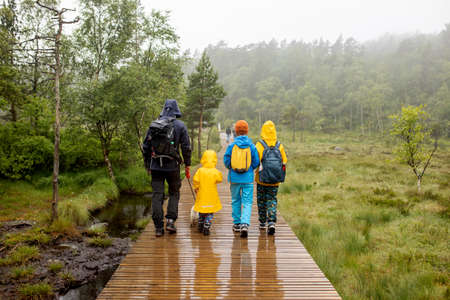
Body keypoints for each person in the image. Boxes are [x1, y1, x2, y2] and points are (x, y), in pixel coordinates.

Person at [143, 99, 191, 237]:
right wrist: (187, 164)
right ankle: (170, 221)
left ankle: (158, 227)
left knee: (157, 195)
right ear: (176, 110)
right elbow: (186, 147)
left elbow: (145, 146)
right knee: (174, 193)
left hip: (156, 167)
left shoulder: (154, 126)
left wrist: (148, 164)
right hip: (172, 167)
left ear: (164, 109)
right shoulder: (180, 126)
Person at [223, 120, 259, 238]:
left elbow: (226, 160)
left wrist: (232, 168)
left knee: (235, 200)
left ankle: (237, 223)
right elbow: (256, 162)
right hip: (248, 178)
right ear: (247, 131)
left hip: (234, 178)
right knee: (247, 202)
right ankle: (245, 224)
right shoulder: (251, 145)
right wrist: (249, 170)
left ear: (236, 131)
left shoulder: (232, 145)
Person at [255, 121, 287, 235]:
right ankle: (272, 222)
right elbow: (284, 161)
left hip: (261, 180)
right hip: (274, 181)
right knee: (272, 199)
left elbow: (255, 161)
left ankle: (263, 222)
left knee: (261, 201)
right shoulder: (279, 145)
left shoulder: (260, 145)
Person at [193, 150, 223, 236]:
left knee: (201, 211)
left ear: (203, 159)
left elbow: (195, 180)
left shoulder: (200, 170)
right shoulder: (215, 171)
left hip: (202, 195)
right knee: (210, 212)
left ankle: (200, 224)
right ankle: (207, 226)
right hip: (211, 196)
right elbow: (219, 179)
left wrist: (196, 187)